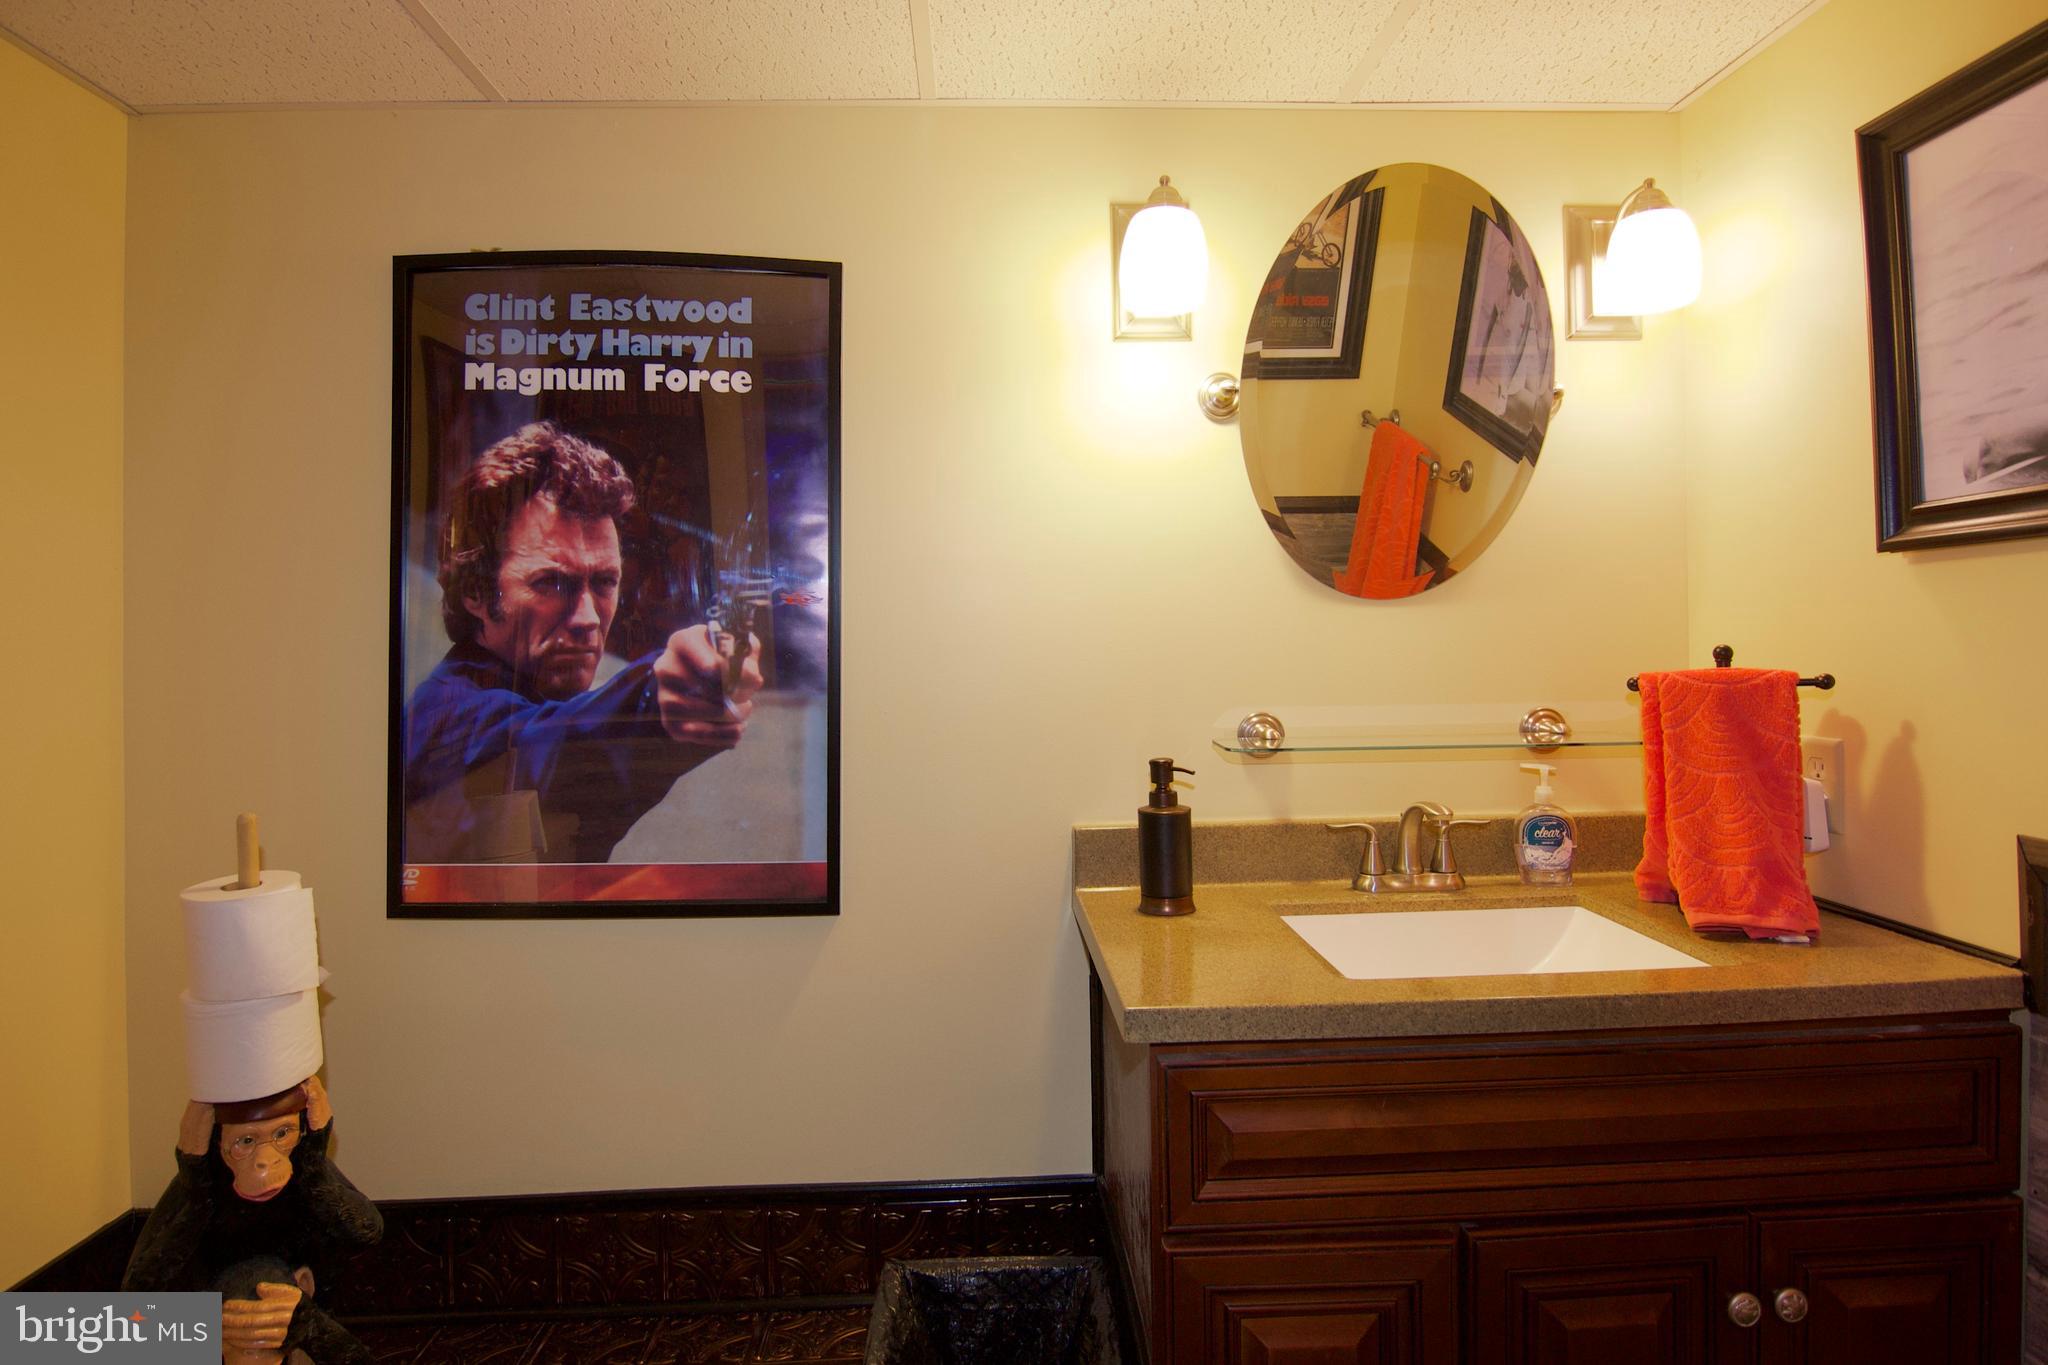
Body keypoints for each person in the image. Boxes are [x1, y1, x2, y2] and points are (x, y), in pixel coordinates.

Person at [402, 422, 762, 865]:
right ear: (475, 592)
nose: (589, 619)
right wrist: (656, 698)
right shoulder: (446, 722)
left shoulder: (518, 696)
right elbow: (548, 753)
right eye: (551, 583)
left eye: (605, 582)